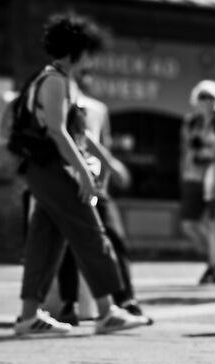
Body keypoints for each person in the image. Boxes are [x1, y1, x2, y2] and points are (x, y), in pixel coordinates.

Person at [9, 15, 147, 338]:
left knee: (45, 240)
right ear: (77, 50)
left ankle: (29, 316)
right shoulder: (56, 81)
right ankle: (108, 310)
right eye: (88, 51)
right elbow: (57, 131)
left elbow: (78, 133)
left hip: (43, 168)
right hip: (54, 168)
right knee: (90, 232)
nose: (91, 59)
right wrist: (85, 172)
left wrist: (102, 163)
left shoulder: (50, 78)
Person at [51, 73, 149, 324]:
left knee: (114, 239)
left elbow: (99, 142)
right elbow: (76, 138)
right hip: (67, 179)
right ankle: (69, 304)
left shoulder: (97, 108)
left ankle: (125, 299)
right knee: (68, 243)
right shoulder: (58, 101)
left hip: (94, 183)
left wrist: (104, 180)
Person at [181, 79, 215, 284]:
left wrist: (209, 153)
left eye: (210, 97)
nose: (206, 101)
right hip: (193, 175)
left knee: (213, 223)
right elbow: (185, 151)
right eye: (202, 96)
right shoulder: (190, 121)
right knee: (189, 224)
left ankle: (212, 266)